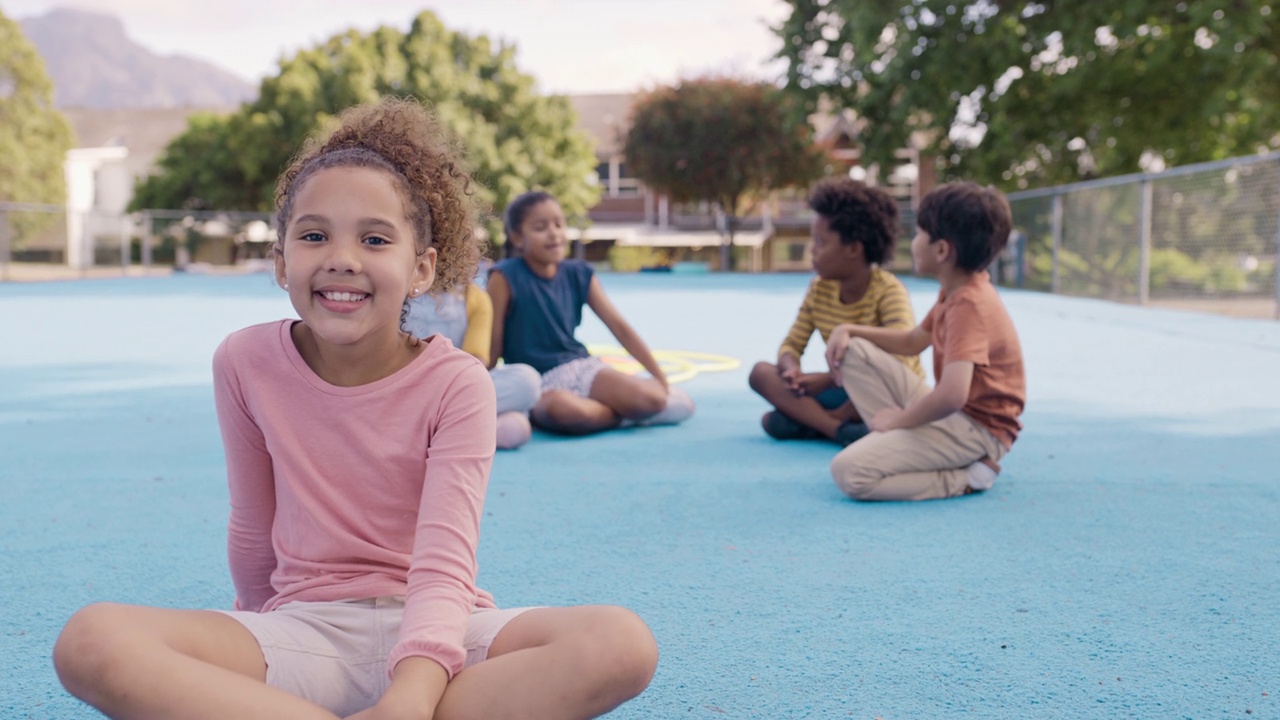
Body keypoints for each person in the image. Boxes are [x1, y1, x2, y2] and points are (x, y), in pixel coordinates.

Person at [52, 98, 658, 720]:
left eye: (374, 238)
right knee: (92, 641)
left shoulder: (458, 384)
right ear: (282, 261)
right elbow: (252, 531)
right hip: (305, 632)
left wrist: (412, 695)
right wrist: (252, 654)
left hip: (443, 637)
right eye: (314, 235)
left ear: (421, 269)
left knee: (619, 642)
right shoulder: (243, 361)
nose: (342, 257)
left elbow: (446, 565)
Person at [824, 181, 1026, 501]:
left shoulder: (969, 305)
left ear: (942, 250)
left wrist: (897, 421)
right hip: (956, 416)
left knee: (849, 472)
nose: (913, 241)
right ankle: (903, 444)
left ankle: (965, 478)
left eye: (919, 233)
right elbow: (913, 341)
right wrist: (849, 329)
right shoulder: (955, 290)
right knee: (854, 351)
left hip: (979, 430)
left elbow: (952, 397)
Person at [487, 191, 695, 435]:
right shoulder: (503, 276)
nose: (554, 233)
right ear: (518, 238)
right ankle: (624, 415)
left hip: (577, 367)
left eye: (559, 224)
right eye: (540, 227)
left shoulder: (579, 273)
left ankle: (624, 411)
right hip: (535, 380)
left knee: (653, 399)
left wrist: (661, 380)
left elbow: (619, 327)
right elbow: (492, 346)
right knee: (563, 410)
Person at [748, 177, 924, 446]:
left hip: (884, 393)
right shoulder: (819, 289)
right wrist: (791, 370)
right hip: (841, 391)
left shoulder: (889, 291)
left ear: (853, 249)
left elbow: (901, 360)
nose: (812, 251)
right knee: (761, 373)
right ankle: (838, 429)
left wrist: (829, 380)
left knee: (777, 422)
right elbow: (792, 344)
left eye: (821, 242)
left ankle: (819, 423)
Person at [403, 281, 541, 450]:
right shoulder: (400, 289)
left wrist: (444, 391)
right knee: (512, 426)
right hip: (406, 388)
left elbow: (475, 364)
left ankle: (428, 430)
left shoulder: (476, 297)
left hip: (455, 388)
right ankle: (459, 432)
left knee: (527, 381)